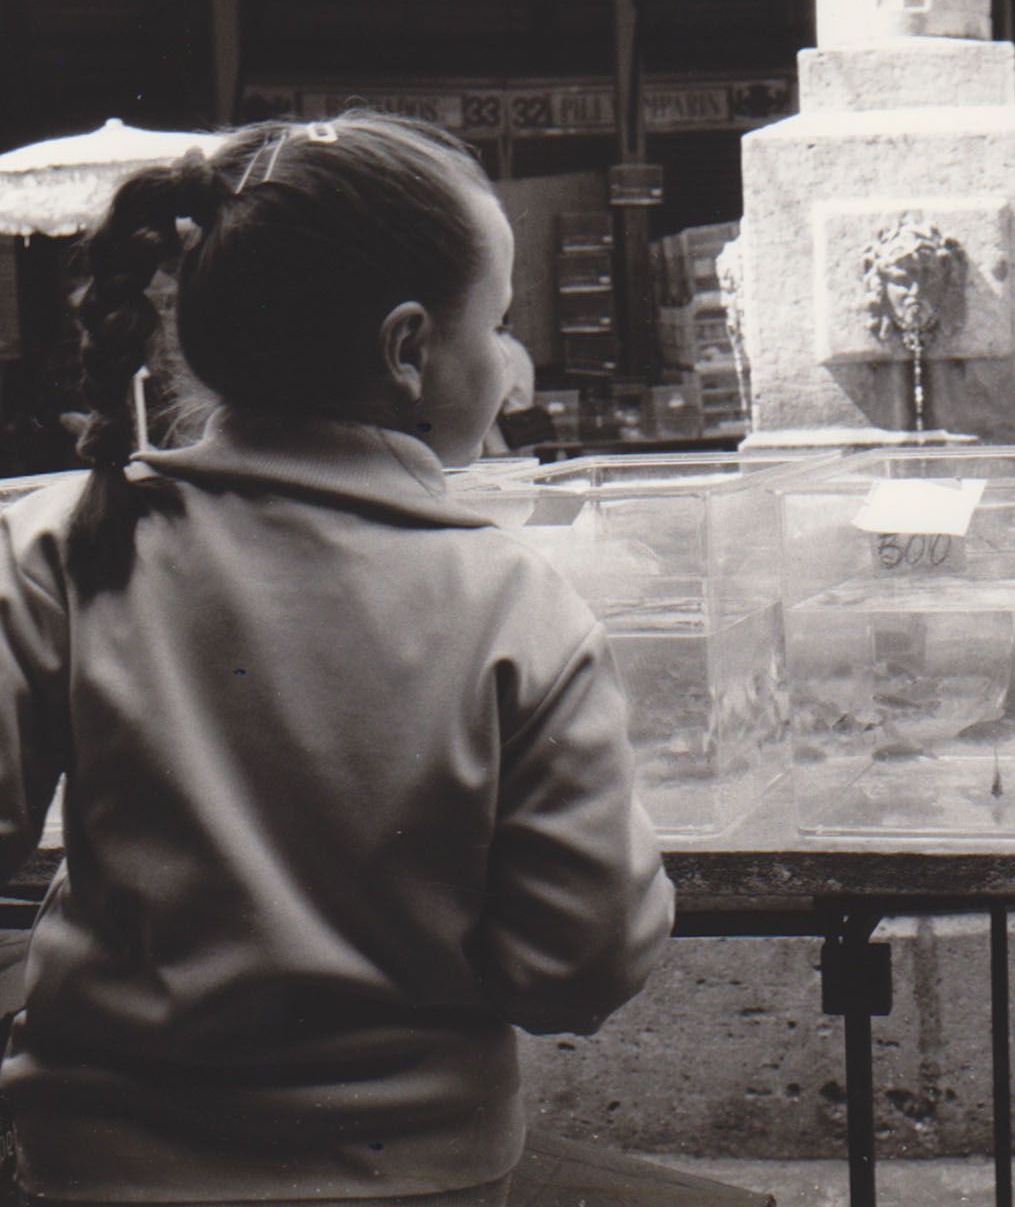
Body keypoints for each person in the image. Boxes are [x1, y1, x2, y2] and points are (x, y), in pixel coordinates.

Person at [0, 110, 674, 1205]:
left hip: (99, 1162)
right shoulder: (516, 600)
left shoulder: (60, 546)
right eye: (499, 326)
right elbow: (579, 963)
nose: (513, 364)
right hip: (418, 1173)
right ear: (409, 349)